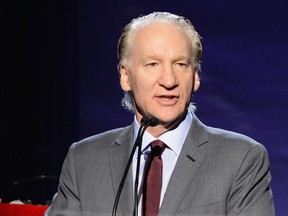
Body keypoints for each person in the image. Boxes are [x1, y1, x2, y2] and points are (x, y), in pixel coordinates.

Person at [45, 11, 275, 215]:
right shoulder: (84, 160)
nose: (169, 80)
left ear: (195, 77)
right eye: (153, 64)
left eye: (180, 64)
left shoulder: (241, 159)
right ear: (125, 76)